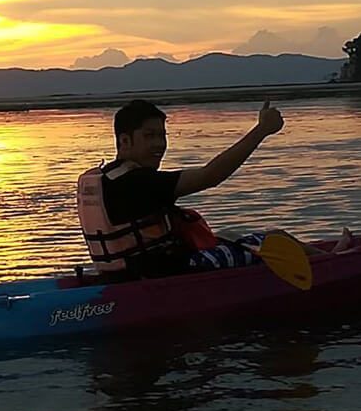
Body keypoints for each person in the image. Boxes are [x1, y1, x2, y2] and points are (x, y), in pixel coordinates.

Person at [77, 98, 294, 278]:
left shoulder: (105, 178)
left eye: (162, 136)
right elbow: (210, 176)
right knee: (277, 240)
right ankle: (326, 268)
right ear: (124, 141)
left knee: (229, 235)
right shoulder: (137, 182)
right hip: (165, 275)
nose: (159, 144)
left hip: (124, 275)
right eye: (149, 136)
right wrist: (262, 130)